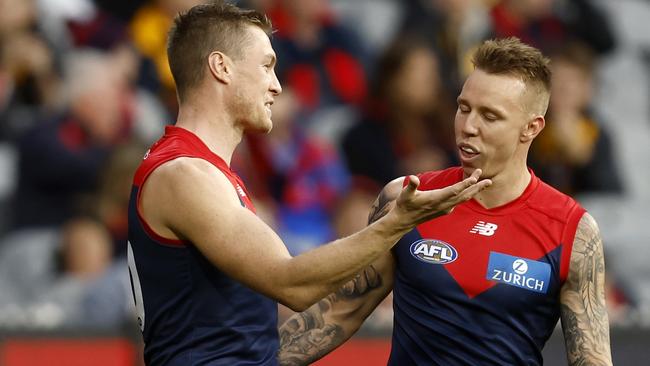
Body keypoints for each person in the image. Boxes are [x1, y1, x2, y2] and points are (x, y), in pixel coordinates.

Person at [126, 2, 490, 365]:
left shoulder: (204, 172)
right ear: (221, 67)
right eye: (267, 66)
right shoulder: (184, 174)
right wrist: (397, 223)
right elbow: (291, 284)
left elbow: (246, 334)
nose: (277, 86)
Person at [278, 37, 613, 366]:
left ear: (531, 128)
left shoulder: (573, 231)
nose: (468, 126)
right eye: (463, 108)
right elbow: (339, 311)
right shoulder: (407, 199)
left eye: (489, 116)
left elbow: (591, 359)